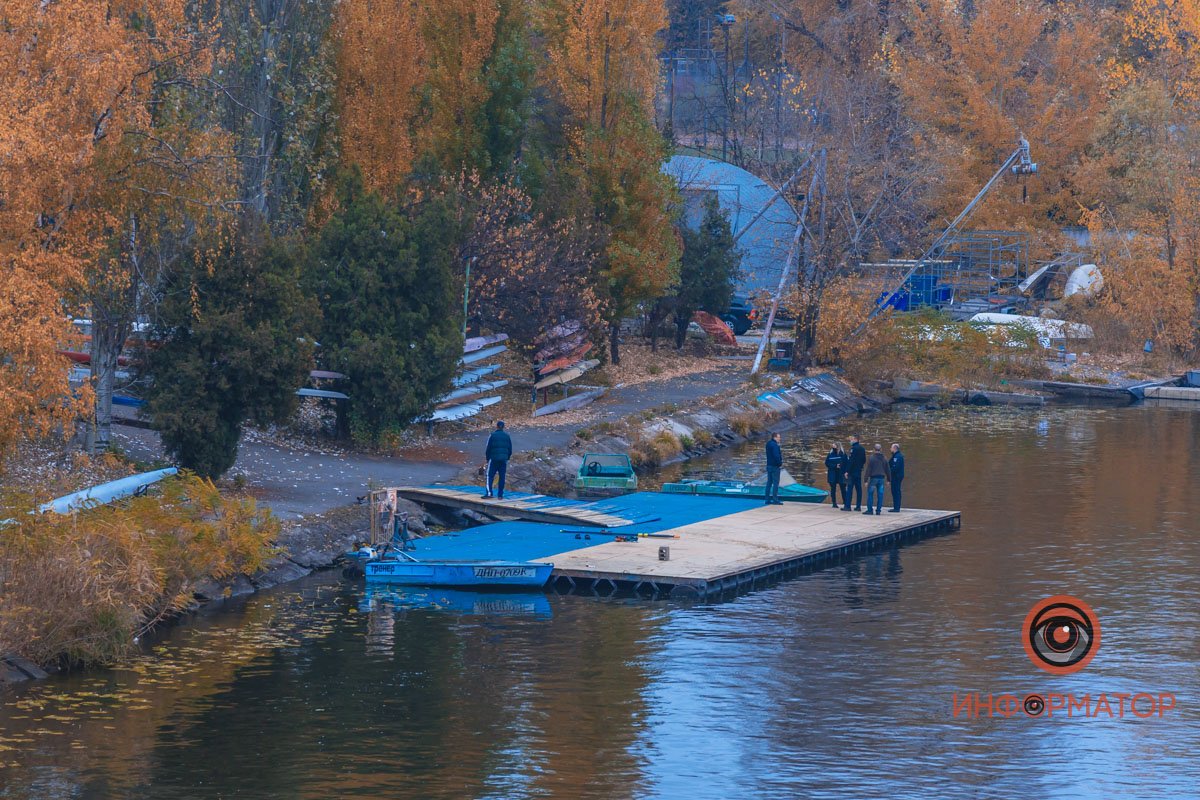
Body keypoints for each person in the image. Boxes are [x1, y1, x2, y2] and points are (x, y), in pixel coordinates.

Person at [484, 420, 513, 499]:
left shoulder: (492, 435)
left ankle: (489, 493)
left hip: (494, 459)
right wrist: (507, 458)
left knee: (490, 476)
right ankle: (500, 495)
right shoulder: (507, 436)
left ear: (496, 426)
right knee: (502, 477)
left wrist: (487, 458)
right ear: (503, 427)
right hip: (503, 460)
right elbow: (510, 449)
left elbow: (488, 448)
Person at [865, 443, 890, 515]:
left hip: (873, 478)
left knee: (870, 494)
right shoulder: (884, 458)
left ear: (873, 450)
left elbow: (868, 470)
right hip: (881, 478)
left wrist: (865, 480)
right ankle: (878, 510)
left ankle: (870, 510)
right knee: (880, 495)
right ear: (881, 450)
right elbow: (888, 469)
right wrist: (889, 479)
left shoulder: (871, 458)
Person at [845, 436, 866, 511]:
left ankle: (847, 506)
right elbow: (864, 460)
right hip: (858, 471)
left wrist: (847, 471)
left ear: (856, 439)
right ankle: (858, 506)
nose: (850, 441)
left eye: (852, 439)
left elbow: (851, 461)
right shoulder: (862, 449)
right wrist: (860, 467)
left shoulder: (853, 449)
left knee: (849, 489)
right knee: (858, 489)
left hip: (852, 472)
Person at [823, 443, 846, 508]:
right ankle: (834, 503)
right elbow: (827, 463)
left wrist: (842, 467)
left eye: (834, 445)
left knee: (843, 488)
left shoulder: (842, 454)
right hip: (832, 473)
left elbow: (846, 462)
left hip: (840, 473)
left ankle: (845, 502)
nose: (833, 446)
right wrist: (835, 466)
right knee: (833, 488)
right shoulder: (830, 454)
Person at [764, 432, 783, 505]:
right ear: (775, 437)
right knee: (775, 483)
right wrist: (780, 464)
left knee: (769, 483)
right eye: (779, 437)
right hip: (775, 466)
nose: (779, 439)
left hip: (769, 465)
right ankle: (775, 499)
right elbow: (776, 456)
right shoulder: (775, 445)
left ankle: (767, 499)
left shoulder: (768, 444)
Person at [888, 443, 905, 512]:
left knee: (896, 491)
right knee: (895, 491)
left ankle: (896, 508)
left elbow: (895, 467)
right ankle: (896, 507)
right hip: (896, 476)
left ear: (894, 448)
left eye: (891, 448)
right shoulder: (895, 456)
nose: (890, 449)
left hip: (896, 476)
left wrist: (889, 472)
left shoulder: (897, 457)